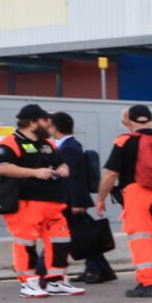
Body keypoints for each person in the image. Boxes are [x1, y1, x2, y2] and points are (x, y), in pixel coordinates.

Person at [96, 104, 152, 299]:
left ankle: (146, 284)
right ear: (151, 120)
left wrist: (101, 198)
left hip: (138, 192)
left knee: (141, 239)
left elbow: (111, 174)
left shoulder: (125, 141)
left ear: (127, 122)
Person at [0, 104, 83, 298]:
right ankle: (28, 283)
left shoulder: (47, 143)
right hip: (26, 202)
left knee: (61, 240)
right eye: (45, 121)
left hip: (53, 202)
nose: (49, 125)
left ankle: (56, 281)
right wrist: (34, 172)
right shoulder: (10, 142)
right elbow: (1, 167)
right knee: (26, 242)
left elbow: (61, 163)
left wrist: (63, 169)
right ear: (33, 122)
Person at [49, 111, 117, 285]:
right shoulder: (68, 145)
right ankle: (98, 270)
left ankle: (99, 270)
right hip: (73, 199)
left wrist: (77, 203)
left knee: (82, 237)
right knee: (84, 236)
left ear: (54, 127)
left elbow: (74, 178)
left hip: (73, 201)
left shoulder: (69, 147)